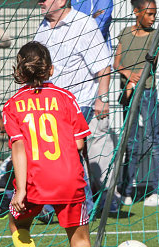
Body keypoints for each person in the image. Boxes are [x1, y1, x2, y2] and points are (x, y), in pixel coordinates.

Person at [3, 41, 95, 247]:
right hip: (69, 176)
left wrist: (20, 189)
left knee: (17, 225)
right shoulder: (66, 97)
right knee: (80, 241)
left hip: (35, 180)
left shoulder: (11, 105)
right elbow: (80, 141)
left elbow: (18, 148)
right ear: (51, 68)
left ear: (19, 71)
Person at [34, 0, 116, 214]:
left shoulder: (83, 24)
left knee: (69, 155)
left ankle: (82, 208)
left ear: (61, 0)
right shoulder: (42, 28)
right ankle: (51, 206)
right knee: (52, 157)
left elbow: (103, 66)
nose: (39, 1)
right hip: (48, 106)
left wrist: (102, 98)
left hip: (79, 103)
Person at [113, 0, 159, 207]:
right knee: (131, 142)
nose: (153, 18)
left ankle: (158, 192)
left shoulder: (155, 36)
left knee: (153, 139)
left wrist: (135, 83)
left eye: (155, 14)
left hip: (146, 92)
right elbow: (117, 63)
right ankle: (126, 190)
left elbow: (150, 65)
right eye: (150, 14)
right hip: (127, 94)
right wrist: (127, 76)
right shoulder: (124, 34)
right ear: (136, 12)